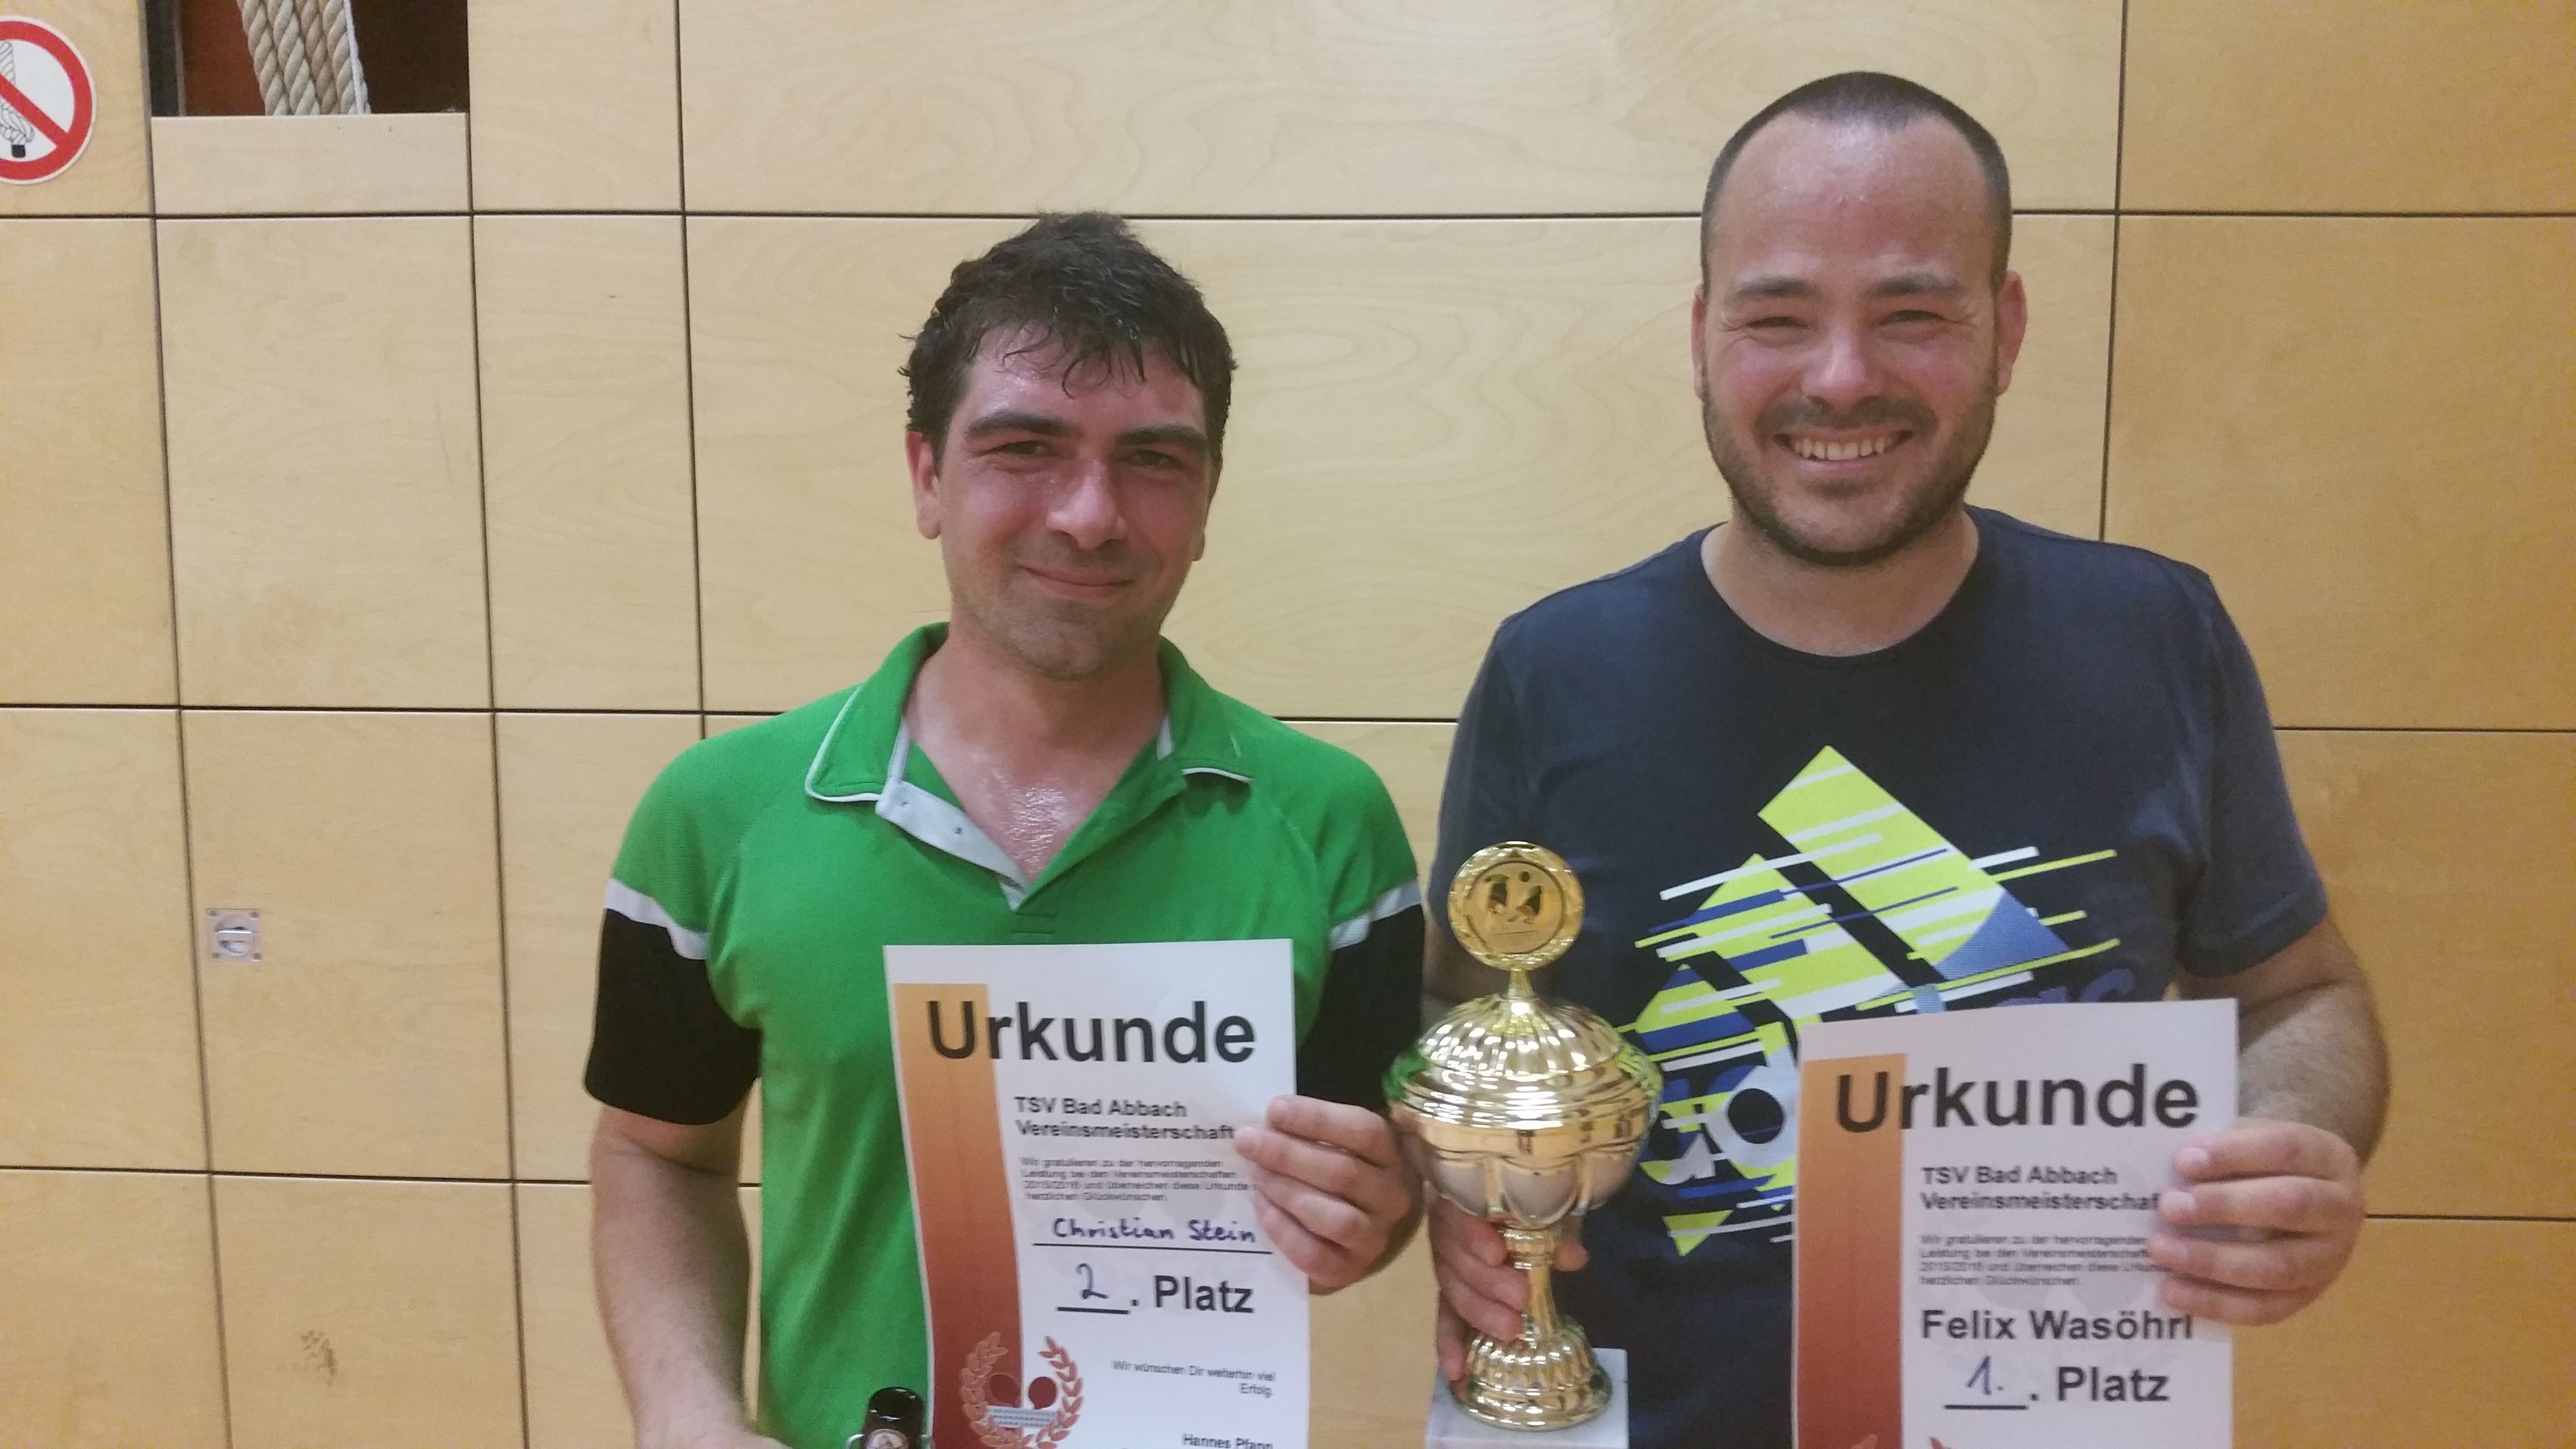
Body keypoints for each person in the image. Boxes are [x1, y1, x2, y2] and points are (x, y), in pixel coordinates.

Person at [1423, 73, 2387, 1449]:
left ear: (2006, 330)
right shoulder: (1553, 669)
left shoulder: (2158, 636)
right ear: (1701, 337)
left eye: (1912, 315)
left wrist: (2294, 1147)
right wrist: (1458, 1192)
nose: (1839, 377)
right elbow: (1461, 1016)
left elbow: (2299, 994)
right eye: (1777, 317)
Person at [584, 213, 1426, 1449]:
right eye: (1025, 448)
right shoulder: (716, 816)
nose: (1088, 514)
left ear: (1206, 501)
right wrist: (684, 1414)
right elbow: (658, 1156)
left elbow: (1365, 1199)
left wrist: (1369, 1219)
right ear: (927, 476)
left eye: (1153, 460)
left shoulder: (1333, 827)